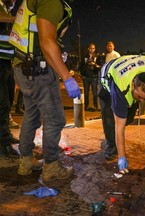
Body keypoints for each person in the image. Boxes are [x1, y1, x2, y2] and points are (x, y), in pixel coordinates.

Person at [9, 0, 81, 181]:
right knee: (55, 119)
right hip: (37, 68)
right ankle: (51, 166)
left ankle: (25, 162)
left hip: (22, 65)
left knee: (31, 115)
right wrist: (67, 77)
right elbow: (47, 42)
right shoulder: (51, 2)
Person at [0, 0, 19, 157]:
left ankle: (6, 134)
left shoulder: (6, 9)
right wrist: (17, 19)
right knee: (2, 103)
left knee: (8, 101)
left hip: (7, 61)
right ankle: (3, 145)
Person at [80, 43, 101, 111]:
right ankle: (86, 106)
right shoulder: (84, 56)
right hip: (86, 77)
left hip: (94, 77)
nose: (92, 50)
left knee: (95, 93)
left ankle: (95, 106)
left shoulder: (97, 56)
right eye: (91, 48)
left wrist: (94, 64)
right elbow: (81, 66)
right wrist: (82, 74)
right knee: (86, 93)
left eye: (93, 48)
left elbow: (100, 66)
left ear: (95, 49)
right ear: (88, 49)